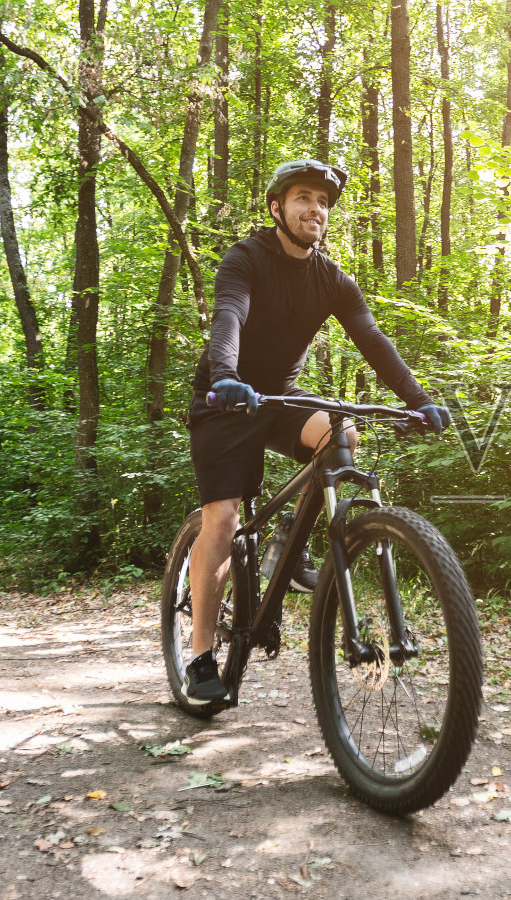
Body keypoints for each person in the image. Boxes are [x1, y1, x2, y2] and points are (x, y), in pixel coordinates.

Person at [181, 158, 451, 703]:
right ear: (278, 208)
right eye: (304, 197)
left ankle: (289, 545)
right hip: (226, 397)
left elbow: (373, 340)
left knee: (342, 435)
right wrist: (228, 377)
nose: (315, 209)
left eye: (323, 202)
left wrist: (419, 400)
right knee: (225, 518)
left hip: (280, 397)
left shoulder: (331, 278)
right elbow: (228, 316)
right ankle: (201, 654)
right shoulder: (246, 258)